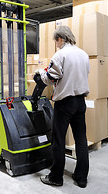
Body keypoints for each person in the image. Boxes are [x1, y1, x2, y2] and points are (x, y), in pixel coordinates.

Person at [36, 26, 90, 188]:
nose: (56, 44)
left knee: (58, 140)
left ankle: (56, 177)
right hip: (80, 102)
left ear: (61, 38)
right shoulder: (84, 54)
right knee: (81, 139)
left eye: (56, 41)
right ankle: (81, 178)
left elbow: (51, 78)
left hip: (65, 102)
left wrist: (41, 72)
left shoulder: (61, 55)